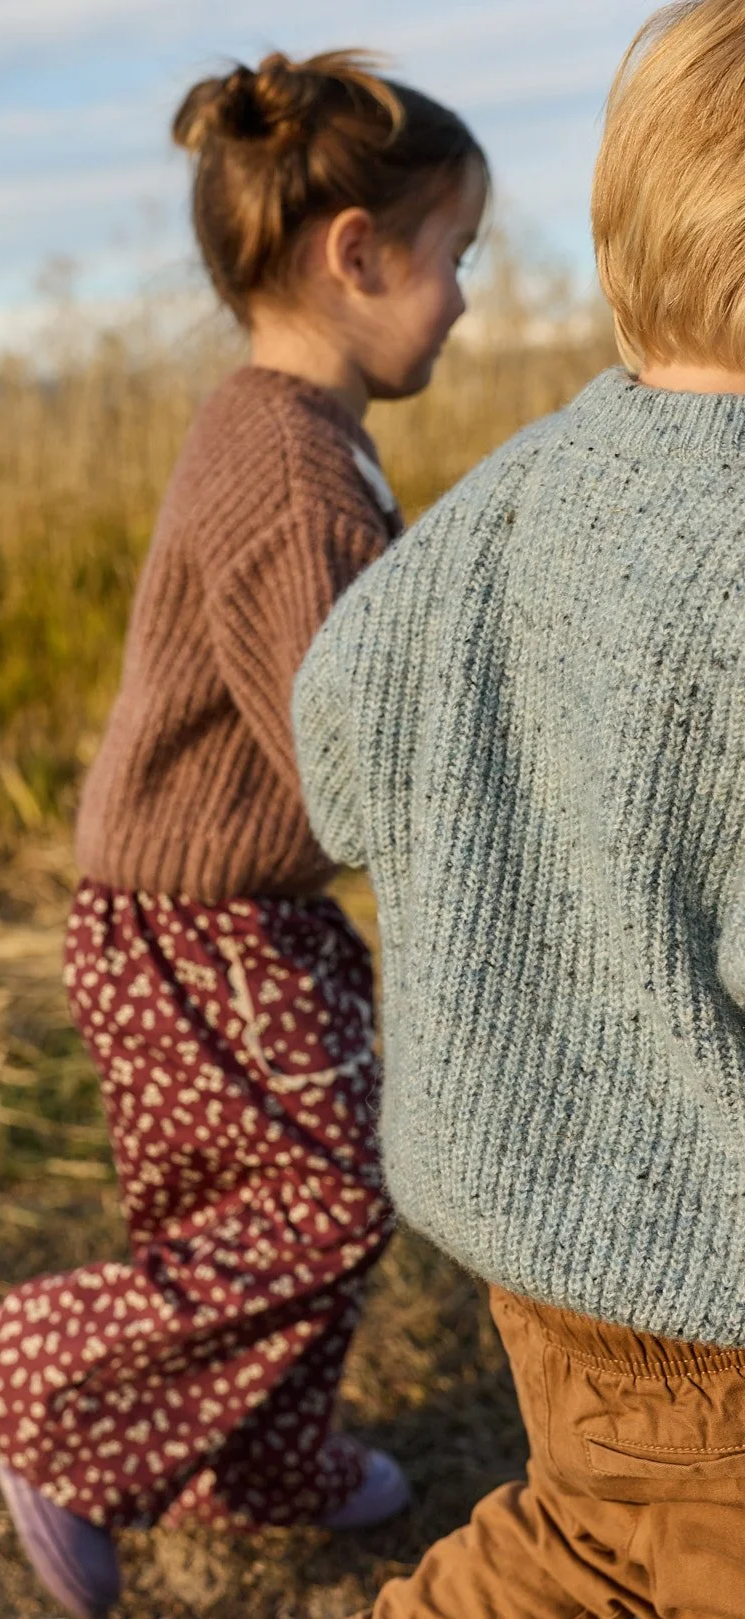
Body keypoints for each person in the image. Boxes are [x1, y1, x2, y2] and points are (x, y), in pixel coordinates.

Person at [0, 49, 487, 1619]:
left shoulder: (282, 429)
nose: (460, 297)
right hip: (205, 921)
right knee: (323, 1196)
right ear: (357, 254)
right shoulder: (295, 475)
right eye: (454, 258)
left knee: (233, 1203)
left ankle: (259, 1459)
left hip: (200, 908)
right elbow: (347, 761)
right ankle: (39, 1391)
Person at [292, 5, 745, 1616]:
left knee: (593, 1533)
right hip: (712, 1264)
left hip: (541, 1241)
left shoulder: (516, 491)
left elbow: (335, 748)